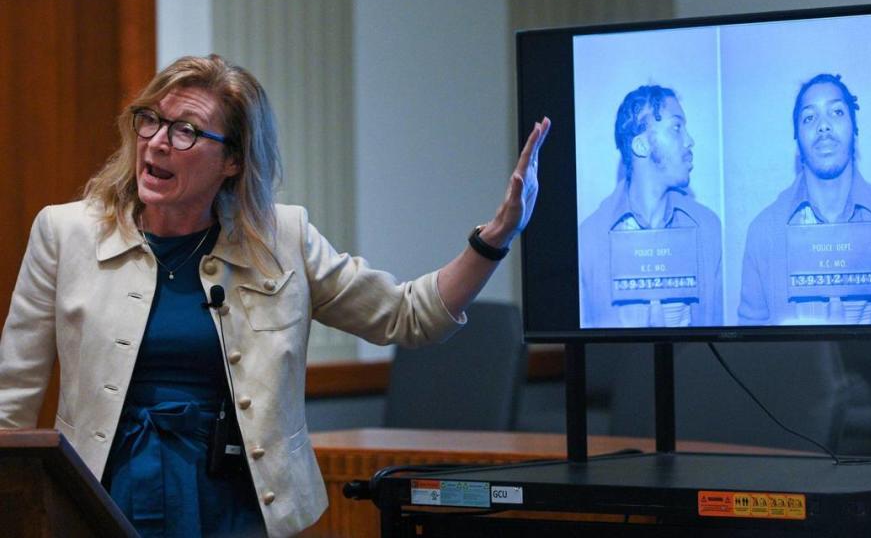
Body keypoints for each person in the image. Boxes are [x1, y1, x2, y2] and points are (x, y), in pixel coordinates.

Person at [0, 54, 550, 537]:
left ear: (233, 160)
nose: (159, 142)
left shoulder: (283, 239)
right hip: (105, 497)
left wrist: (493, 240)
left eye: (186, 130)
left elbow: (407, 317)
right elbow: (11, 403)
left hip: (241, 507)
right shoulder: (64, 233)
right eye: (152, 121)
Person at [738, 73, 871, 326]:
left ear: (855, 127)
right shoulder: (762, 232)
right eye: (809, 117)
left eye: (837, 112)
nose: (824, 126)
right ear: (797, 136)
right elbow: (750, 343)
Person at [578, 84, 722, 328]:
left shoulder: (708, 228)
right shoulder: (589, 239)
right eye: (677, 127)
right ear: (641, 145)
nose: (690, 140)